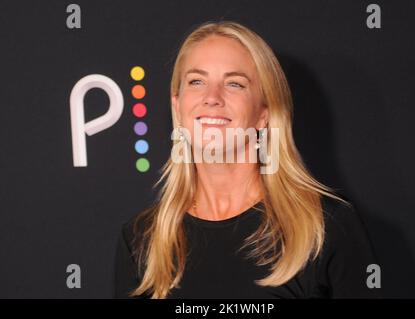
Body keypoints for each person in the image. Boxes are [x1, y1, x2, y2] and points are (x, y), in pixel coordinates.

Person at [114, 20, 382, 299]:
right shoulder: (141, 240)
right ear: (177, 105)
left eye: (234, 84)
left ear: (264, 112)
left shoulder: (325, 226)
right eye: (196, 81)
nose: (212, 98)